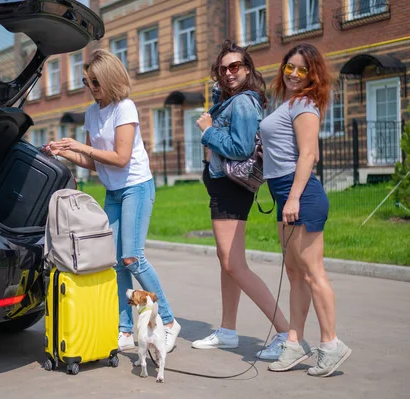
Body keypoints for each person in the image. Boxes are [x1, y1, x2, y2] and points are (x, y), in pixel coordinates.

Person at [42, 49, 181, 352]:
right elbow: (94, 162)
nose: (91, 88)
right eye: (86, 82)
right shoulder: (93, 112)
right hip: (113, 191)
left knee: (133, 257)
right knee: (116, 263)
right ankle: (125, 330)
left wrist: (81, 146)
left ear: (109, 79)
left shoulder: (125, 108)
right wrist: (63, 151)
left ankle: (169, 321)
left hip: (136, 187)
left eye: (95, 82)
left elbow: (120, 158)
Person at [192, 40, 290, 360]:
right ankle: (228, 330)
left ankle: (286, 333)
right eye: (223, 69)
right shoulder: (228, 101)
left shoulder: (244, 102)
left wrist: (208, 131)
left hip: (232, 189)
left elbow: (240, 147)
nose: (228, 73)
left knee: (235, 264)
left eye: (235, 67)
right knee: (228, 263)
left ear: (246, 69)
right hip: (224, 187)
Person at [260, 43, 352, 376]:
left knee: (313, 274)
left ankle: (331, 345)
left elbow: (308, 155)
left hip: (301, 195)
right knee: (295, 274)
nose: (295, 74)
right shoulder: (288, 103)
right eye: (290, 67)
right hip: (285, 193)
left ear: (312, 74)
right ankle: (295, 343)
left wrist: (295, 198)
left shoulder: (305, 105)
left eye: (303, 69)